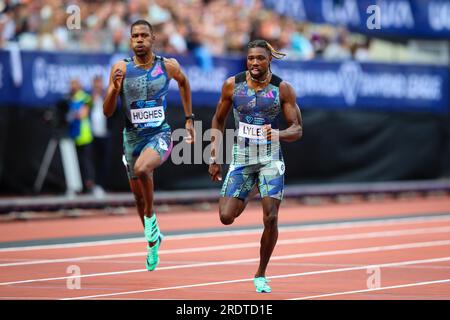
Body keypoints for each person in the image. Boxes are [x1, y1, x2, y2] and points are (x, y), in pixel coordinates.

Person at [208, 39, 303, 293]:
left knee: (270, 217)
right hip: (242, 156)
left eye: (260, 58)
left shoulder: (282, 89)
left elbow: (297, 129)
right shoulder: (232, 85)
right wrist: (214, 157)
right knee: (226, 216)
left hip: (270, 157)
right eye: (251, 59)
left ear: (269, 59)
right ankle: (252, 189)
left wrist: (278, 134)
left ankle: (261, 273)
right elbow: (218, 119)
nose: (255, 63)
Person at [103, 20, 195, 271]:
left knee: (144, 170)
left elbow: (184, 83)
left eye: (144, 35)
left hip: (160, 134)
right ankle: (153, 240)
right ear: (130, 41)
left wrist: (189, 119)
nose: (140, 39)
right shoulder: (120, 68)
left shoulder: (168, 66)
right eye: (135, 36)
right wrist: (114, 90)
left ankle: (151, 219)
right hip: (131, 138)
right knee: (137, 198)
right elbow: (107, 111)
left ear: (153, 38)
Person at [67, 79, 96, 194]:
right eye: (71, 84)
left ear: (79, 86)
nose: (72, 87)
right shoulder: (70, 99)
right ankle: (80, 186)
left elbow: (82, 114)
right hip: (74, 135)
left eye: (74, 84)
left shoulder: (85, 98)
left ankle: (89, 185)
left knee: (86, 162)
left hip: (84, 135)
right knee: (77, 162)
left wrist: (71, 114)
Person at [90, 75, 111, 193]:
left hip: (105, 133)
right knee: (93, 161)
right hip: (92, 134)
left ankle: (102, 185)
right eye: (96, 83)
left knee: (104, 161)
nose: (98, 86)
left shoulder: (106, 97)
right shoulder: (89, 98)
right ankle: (93, 185)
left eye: (99, 83)